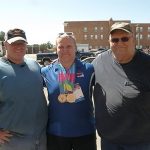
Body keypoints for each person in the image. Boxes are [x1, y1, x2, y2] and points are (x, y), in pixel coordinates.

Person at [92, 22, 150, 150]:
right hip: (108, 141)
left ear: (133, 39)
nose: (119, 43)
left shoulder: (147, 64)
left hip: (140, 143)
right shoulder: (99, 62)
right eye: (115, 40)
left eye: (124, 38)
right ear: (109, 42)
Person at [41, 33, 96, 150]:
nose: (65, 50)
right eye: (61, 47)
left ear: (76, 49)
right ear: (56, 49)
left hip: (85, 132)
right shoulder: (45, 72)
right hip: (56, 133)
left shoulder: (89, 69)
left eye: (69, 46)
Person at [0, 28, 48, 150]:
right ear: (5, 44)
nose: (18, 46)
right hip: (12, 140)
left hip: (41, 137)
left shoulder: (34, 65)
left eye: (21, 43)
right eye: (14, 43)